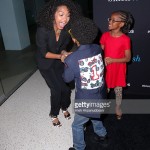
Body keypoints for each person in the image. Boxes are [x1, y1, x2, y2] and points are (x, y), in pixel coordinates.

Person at [62, 17, 108, 150]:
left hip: (86, 101)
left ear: (74, 39)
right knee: (96, 116)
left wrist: (66, 60)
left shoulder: (72, 60)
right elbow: (84, 57)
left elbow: (66, 78)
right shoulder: (97, 48)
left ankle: (78, 147)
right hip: (101, 95)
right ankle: (102, 135)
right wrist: (71, 58)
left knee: (77, 125)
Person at [36, 0, 82, 127]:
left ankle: (64, 106)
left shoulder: (66, 30)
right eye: (61, 14)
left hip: (57, 63)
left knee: (66, 88)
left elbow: (62, 47)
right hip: (45, 63)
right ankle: (54, 114)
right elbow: (44, 53)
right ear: (53, 15)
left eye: (68, 15)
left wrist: (64, 53)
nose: (65, 19)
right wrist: (60, 56)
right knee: (56, 89)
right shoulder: (43, 30)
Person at [100, 10, 134, 119]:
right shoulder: (105, 35)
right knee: (103, 91)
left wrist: (112, 60)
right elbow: (101, 52)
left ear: (121, 24)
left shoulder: (125, 39)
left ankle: (118, 107)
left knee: (118, 92)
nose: (110, 21)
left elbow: (128, 58)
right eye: (110, 19)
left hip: (118, 70)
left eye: (114, 20)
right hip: (106, 69)